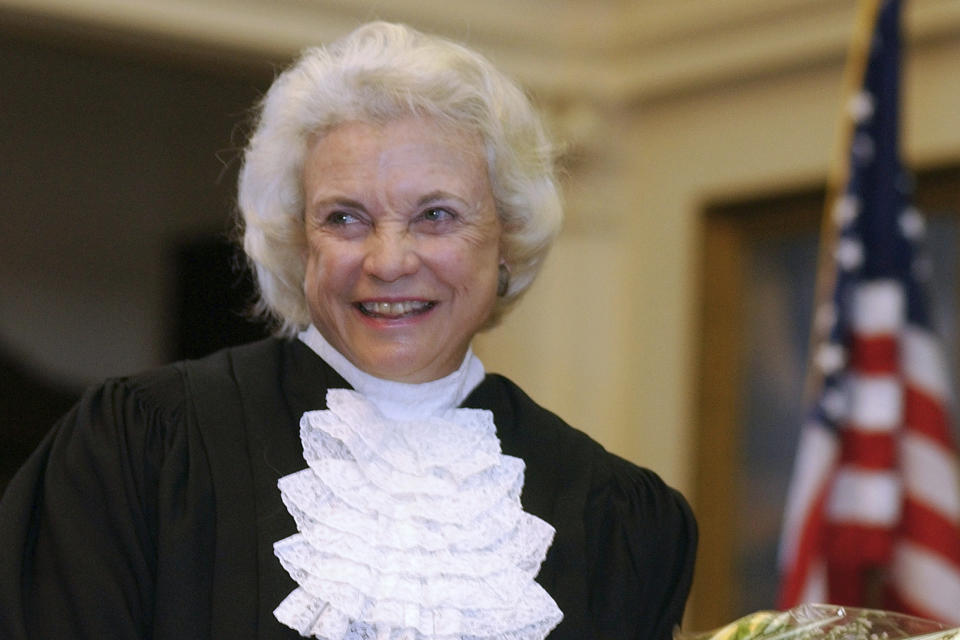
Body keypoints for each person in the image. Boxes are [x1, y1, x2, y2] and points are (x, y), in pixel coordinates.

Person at [0, 21, 696, 640]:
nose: (389, 261)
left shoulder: (620, 520)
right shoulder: (142, 451)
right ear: (298, 244)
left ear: (507, 238)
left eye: (437, 215)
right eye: (344, 218)